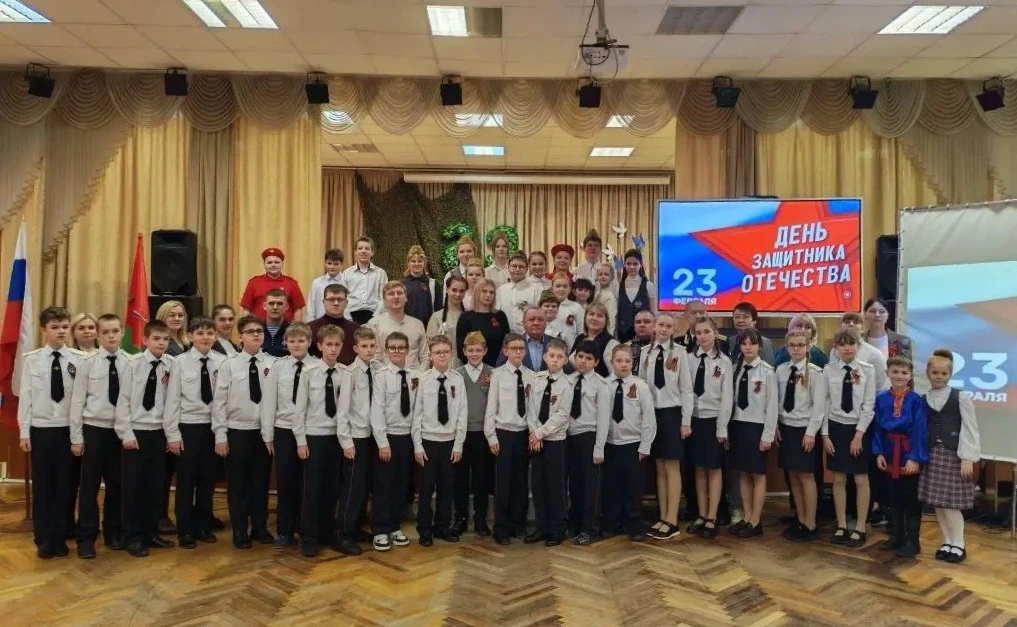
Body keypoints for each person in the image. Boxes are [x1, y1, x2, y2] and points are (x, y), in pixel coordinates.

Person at [18, 307, 84, 559]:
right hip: (41, 430)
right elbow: (26, 398)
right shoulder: (32, 360)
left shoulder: (79, 360)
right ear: (43, 330)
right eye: (55, 327)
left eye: (64, 327)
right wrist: (24, 432)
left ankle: (60, 536)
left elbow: (80, 400)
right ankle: (44, 539)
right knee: (43, 487)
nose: (61, 331)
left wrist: (78, 435)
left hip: (68, 430)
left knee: (66, 486)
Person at [212, 314, 275, 550]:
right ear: (241, 337)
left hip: (263, 433)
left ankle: (260, 527)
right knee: (238, 485)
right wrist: (220, 435)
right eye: (250, 332)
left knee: (260, 483)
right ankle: (240, 530)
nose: (256, 335)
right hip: (237, 431)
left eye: (259, 331)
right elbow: (219, 403)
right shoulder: (229, 365)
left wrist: (270, 434)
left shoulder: (273, 364)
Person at [113, 319, 175, 558]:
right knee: (133, 488)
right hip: (136, 432)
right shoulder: (132, 364)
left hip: (158, 433)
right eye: (156, 339)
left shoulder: (171, 365)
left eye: (165, 339)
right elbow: (123, 402)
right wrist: (126, 434)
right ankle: (132, 536)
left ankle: (150, 532)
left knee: (155, 487)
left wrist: (170, 434)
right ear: (145, 340)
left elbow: (172, 402)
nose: (161, 343)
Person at [163, 316, 226, 550]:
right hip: (187, 427)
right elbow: (172, 400)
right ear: (190, 336)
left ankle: (203, 526)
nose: (205, 337)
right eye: (200, 333)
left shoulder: (223, 362)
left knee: (207, 481)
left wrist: (222, 434)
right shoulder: (179, 362)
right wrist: (172, 434)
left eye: (210, 333)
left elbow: (224, 401)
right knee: (186, 481)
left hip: (213, 427)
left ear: (215, 336)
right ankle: (185, 530)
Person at [69, 313, 128, 558]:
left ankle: (113, 531)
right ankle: (86, 537)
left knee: (117, 485)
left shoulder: (131, 363)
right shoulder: (87, 363)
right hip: (93, 430)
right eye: (105, 332)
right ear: (98, 335)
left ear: (122, 332)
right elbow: (77, 401)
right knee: (89, 487)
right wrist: (76, 437)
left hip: (120, 431)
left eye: (115, 331)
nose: (111, 336)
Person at [918, 349, 980, 564]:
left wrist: (967, 458)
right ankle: (947, 541)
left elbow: (970, 428)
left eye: (944, 373)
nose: (939, 377)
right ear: (928, 373)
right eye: (935, 372)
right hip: (932, 456)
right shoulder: (925, 398)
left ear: (950, 374)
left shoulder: (960, 397)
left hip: (953, 455)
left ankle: (958, 544)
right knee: (938, 503)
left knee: (951, 505)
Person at [261, 322, 318, 549]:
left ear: (309, 342)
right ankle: (285, 530)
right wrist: (268, 435)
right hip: (283, 429)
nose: (296, 345)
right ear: (286, 343)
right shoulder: (278, 367)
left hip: (309, 431)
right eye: (291, 341)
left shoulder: (316, 367)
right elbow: (269, 402)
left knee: (307, 483)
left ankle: (306, 528)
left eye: (301, 340)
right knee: (286, 481)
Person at [640, 314, 694, 541]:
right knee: (659, 466)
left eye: (668, 326)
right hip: (652, 414)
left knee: (672, 466)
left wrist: (686, 420)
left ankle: (672, 520)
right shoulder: (645, 353)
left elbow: (687, 390)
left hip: (672, 413)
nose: (663, 329)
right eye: (660, 324)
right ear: (654, 327)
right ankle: (662, 517)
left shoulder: (680, 354)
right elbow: (642, 387)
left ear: (674, 330)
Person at [293, 324, 345, 558]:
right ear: (320, 346)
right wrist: (301, 441)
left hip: (336, 437)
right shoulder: (309, 373)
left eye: (337, 345)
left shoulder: (345, 374)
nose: (333, 349)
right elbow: (299, 410)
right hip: (313, 437)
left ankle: (327, 532)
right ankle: (309, 536)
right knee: (311, 489)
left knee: (332, 488)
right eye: (329, 344)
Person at [720, 328, 778, 539]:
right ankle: (746, 516)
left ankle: (756, 520)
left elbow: (772, 406)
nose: (748, 347)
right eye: (744, 344)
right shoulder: (734, 368)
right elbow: (728, 401)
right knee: (742, 473)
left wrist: (768, 435)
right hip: (738, 425)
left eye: (752, 343)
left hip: (757, 427)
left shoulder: (767, 372)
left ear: (759, 346)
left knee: (757, 474)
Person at [821, 330, 876, 548]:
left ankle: (860, 527)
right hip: (836, 428)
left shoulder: (867, 370)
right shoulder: (828, 370)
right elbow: (823, 404)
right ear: (836, 347)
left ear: (857, 346)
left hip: (859, 429)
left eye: (851, 344)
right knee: (839, 479)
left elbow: (869, 405)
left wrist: (859, 434)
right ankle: (842, 525)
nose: (847, 348)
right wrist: (825, 435)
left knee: (861, 479)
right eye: (842, 344)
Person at [413, 335, 468, 547]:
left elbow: (462, 413)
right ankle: (425, 529)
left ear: (451, 354)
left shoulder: (457, 380)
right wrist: (417, 446)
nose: (442, 356)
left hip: (449, 443)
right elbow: (416, 415)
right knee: (426, 490)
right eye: (437, 352)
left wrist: (458, 444)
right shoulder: (423, 380)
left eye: (445, 352)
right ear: (430, 355)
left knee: (447, 488)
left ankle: (442, 527)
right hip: (428, 442)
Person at [872, 356, 928, 558]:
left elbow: (920, 430)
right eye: (895, 372)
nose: (899, 376)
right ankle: (896, 535)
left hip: (907, 452)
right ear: (887, 373)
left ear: (910, 375)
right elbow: (877, 428)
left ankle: (913, 541)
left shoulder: (916, 401)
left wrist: (915, 457)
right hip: (889, 451)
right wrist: (878, 452)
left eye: (904, 373)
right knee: (893, 497)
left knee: (910, 499)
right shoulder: (881, 399)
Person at [370, 331, 419, 552]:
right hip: (388, 437)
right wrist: (382, 443)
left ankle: (394, 526)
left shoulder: (415, 376)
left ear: (407, 350)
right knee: (384, 484)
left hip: (407, 437)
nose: (397, 351)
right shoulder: (381, 376)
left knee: (401, 484)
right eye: (392, 348)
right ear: (386, 350)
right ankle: (380, 529)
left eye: (401, 347)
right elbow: (377, 409)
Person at [775, 330, 826, 542]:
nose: (796, 349)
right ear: (787, 347)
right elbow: (776, 401)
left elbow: (819, 407)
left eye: (800, 345)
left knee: (806, 476)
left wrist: (811, 433)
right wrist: (776, 425)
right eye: (792, 345)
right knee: (793, 476)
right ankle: (801, 519)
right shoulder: (780, 370)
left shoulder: (815, 373)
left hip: (805, 430)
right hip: (786, 428)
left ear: (807, 347)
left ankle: (811, 523)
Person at [685, 317, 733, 539]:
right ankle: (702, 514)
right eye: (699, 332)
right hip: (694, 419)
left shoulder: (724, 362)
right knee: (699, 468)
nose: (703, 336)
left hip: (714, 420)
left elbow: (727, 398)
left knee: (713, 468)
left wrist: (722, 428)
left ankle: (712, 516)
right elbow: (685, 391)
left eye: (707, 331)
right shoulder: (688, 359)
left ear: (715, 333)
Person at [484, 333, 534, 545]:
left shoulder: (531, 376)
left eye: (521, 348)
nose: (518, 352)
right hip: (503, 432)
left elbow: (533, 409)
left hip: (523, 433)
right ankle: (501, 528)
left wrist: (533, 433)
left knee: (520, 482)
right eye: (514, 348)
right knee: (503, 482)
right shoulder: (497, 375)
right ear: (505, 351)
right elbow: (491, 407)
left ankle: (518, 524)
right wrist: (491, 436)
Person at [602, 345, 656, 540]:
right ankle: (612, 522)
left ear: (633, 363)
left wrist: (645, 445)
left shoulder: (641, 386)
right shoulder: (604, 385)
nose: (623, 364)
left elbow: (649, 418)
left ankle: (632, 522)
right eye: (619, 361)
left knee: (633, 486)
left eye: (627, 361)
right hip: (610, 443)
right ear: (612, 362)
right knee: (611, 485)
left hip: (633, 444)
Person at [525, 338, 573, 547]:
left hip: (555, 442)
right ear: (545, 357)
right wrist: (534, 432)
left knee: (555, 487)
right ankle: (541, 527)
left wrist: (540, 433)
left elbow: (562, 415)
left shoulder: (567, 384)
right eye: (551, 355)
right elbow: (531, 409)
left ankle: (557, 529)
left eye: (559, 357)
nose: (554, 360)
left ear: (565, 360)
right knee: (538, 485)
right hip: (536, 441)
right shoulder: (537, 379)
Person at [335, 327, 378, 556]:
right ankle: (343, 533)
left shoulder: (377, 370)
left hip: (373, 436)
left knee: (364, 486)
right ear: (355, 348)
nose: (369, 350)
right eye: (364, 346)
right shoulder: (349, 373)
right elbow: (342, 411)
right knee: (352, 487)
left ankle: (356, 527)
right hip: (356, 438)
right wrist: (347, 442)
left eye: (372, 346)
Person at [566, 340, 611, 546]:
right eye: (580, 357)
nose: (583, 361)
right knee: (575, 483)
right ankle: (575, 523)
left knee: (590, 485)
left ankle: (590, 527)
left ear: (596, 362)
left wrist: (599, 447)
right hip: (570, 437)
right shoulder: (569, 381)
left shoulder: (601, 385)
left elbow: (603, 418)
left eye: (588, 358)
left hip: (590, 437)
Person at [453, 331, 494, 537]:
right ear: (464, 351)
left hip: (483, 434)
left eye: (478, 350)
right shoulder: (457, 374)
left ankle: (480, 519)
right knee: (460, 479)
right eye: (471, 350)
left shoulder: (492, 373)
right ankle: (460, 518)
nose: (475, 354)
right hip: (461, 435)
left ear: (485, 351)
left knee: (481, 479)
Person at [66, 312, 98, 541]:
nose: (87, 331)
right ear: (74, 332)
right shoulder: (67, 357)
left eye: (90, 327)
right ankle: (67, 524)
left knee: (90, 482)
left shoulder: (105, 356)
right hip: (68, 424)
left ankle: (88, 526)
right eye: (81, 328)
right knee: (69, 480)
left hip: (94, 426)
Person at [367, 281, 429, 370]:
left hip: (414, 376)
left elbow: (425, 357)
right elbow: (373, 358)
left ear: (406, 298)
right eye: (391, 294)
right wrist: (390, 375)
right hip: (384, 375)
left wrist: (418, 375)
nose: (396, 297)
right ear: (384, 300)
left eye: (399, 293)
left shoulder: (417, 325)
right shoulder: (374, 325)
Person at [240, 247, 306, 322]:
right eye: (269, 262)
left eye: (277, 262)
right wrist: (246, 327)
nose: (273, 265)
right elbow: (246, 309)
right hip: (258, 327)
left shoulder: (291, 283)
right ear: (264, 264)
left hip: (285, 327)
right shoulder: (254, 283)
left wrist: (297, 328)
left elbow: (297, 310)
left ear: (282, 264)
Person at [456, 278, 510, 367]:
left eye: (491, 292)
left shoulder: (500, 316)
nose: (488, 295)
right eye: (484, 291)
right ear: (477, 292)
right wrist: (476, 367)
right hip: (474, 368)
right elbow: (461, 349)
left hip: (499, 367)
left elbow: (507, 344)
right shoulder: (466, 317)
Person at [830, 312, 888, 392]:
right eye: (847, 322)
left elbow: (879, 386)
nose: (851, 324)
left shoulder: (875, 354)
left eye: (856, 322)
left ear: (862, 328)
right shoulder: (833, 352)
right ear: (841, 326)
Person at [308, 284, 360, 364]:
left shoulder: (356, 329)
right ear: (323, 302)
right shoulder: (310, 329)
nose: (336, 303)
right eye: (331, 299)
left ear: (346, 302)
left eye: (340, 299)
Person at [342, 236, 388, 324]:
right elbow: (343, 297)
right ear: (355, 251)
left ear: (372, 252)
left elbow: (384, 297)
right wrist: (349, 319)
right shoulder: (346, 273)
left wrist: (375, 318)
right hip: (351, 316)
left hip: (374, 316)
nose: (363, 251)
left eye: (367, 248)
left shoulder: (381, 273)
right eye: (360, 248)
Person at [496, 252, 543, 334]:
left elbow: (542, 313)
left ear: (527, 269)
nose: (517, 269)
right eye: (514, 266)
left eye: (521, 267)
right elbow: (496, 314)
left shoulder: (537, 288)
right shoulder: (501, 290)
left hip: (529, 335)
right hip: (505, 336)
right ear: (508, 268)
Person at [569, 303, 619, 379]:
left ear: (606, 320)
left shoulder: (611, 343)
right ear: (585, 317)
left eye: (599, 316)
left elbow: (615, 374)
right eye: (591, 314)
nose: (595, 318)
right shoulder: (580, 338)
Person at [427, 276, 467, 368]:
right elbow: (430, 346)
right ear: (447, 289)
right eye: (454, 290)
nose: (458, 294)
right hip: (443, 364)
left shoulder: (469, 316)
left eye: (461, 291)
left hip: (465, 365)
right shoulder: (436, 317)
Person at [616, 249, 656, 342]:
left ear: (641, 265)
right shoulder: (618, 285)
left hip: (644, 334)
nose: (632, 267)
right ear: (624, 265)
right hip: (623, 333)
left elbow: (653, 312)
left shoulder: (648, 285)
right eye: (628, 264)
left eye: (635, 264)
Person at [498, 307, 552, 372]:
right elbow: (500, 370)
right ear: (523, 323)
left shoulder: (557, 343)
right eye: (531, 319)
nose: (536, 323)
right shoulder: (510, 343)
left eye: (540, 320)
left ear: (546, 323)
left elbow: (564, 371)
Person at [402, 245, 442, 325]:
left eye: (420, 261)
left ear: (424, 263)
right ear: (408, 263)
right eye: (413, 261)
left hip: (429, 328)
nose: (416, 264)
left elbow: (439, 310)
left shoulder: (433, 284)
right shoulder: (402, 285)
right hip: (407, 328)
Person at [306, 248, 345, 322]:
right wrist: (311, 325)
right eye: (329, 263)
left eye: (336, 264)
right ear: (325, 263)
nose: (332, 267)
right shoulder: (317, 283)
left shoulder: (347, 282)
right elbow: (311, 307)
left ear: (341, 264)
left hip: (342, 323)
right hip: (321, 324)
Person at [550, 272, 585, 339]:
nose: (561, 289)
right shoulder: (546, 308)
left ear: (569, 289)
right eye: (558, 286)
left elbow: (581, 332)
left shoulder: (576, 307)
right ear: (552, 289)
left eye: (565, 286)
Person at [261, 288, 291, 358]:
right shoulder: (256, 331)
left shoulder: (294, 331)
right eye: (271, 303)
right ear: (264, 306)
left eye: (280, 303)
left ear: (286, 306)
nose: (275, 307)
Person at [628, 310, 655, 376]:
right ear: (634, 327)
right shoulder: (626, 348)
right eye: (638, 322)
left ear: (655, 325)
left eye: (647, 322)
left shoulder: (662, 347)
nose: (642, 325)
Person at [594, 263, 618, 336]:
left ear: (612, 277)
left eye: (606, 274)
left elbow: (611, 319)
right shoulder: (597, 294)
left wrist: (608, 337)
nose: (603, 276)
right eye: (600, 274)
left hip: (605, 334)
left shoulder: (610, 297)